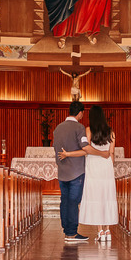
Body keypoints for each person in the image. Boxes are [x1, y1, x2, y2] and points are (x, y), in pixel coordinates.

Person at [62, 104, 117, 243]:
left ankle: (100, 231)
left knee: (97, 196)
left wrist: (69, 154)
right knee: (107, 196)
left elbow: (86, 149)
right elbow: (111, 153)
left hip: (93, 166)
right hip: (107, 166)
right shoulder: (111, 132)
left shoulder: (88, 130)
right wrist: (110, 167)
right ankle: (108, 230)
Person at [52, 100, 88, 243]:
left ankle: (67, 231)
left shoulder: (58, 128)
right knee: (73, 201)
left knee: (65, 201)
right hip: (76, 171)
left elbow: (55, 148)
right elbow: (84, 147)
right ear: (80, 113)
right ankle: (72, 233)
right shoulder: (79, 127)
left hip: (62, 171)